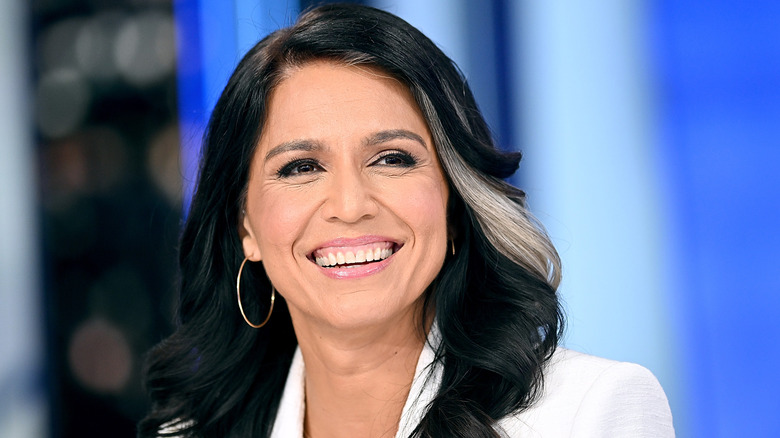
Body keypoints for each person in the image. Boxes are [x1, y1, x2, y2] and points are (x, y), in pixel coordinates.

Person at [139, 4, 674, 437]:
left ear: (454, 202)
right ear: (245, 227)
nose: (350, 205)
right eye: (302, 167)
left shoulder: (590, 412)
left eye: (392, 159)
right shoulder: (189, 433)